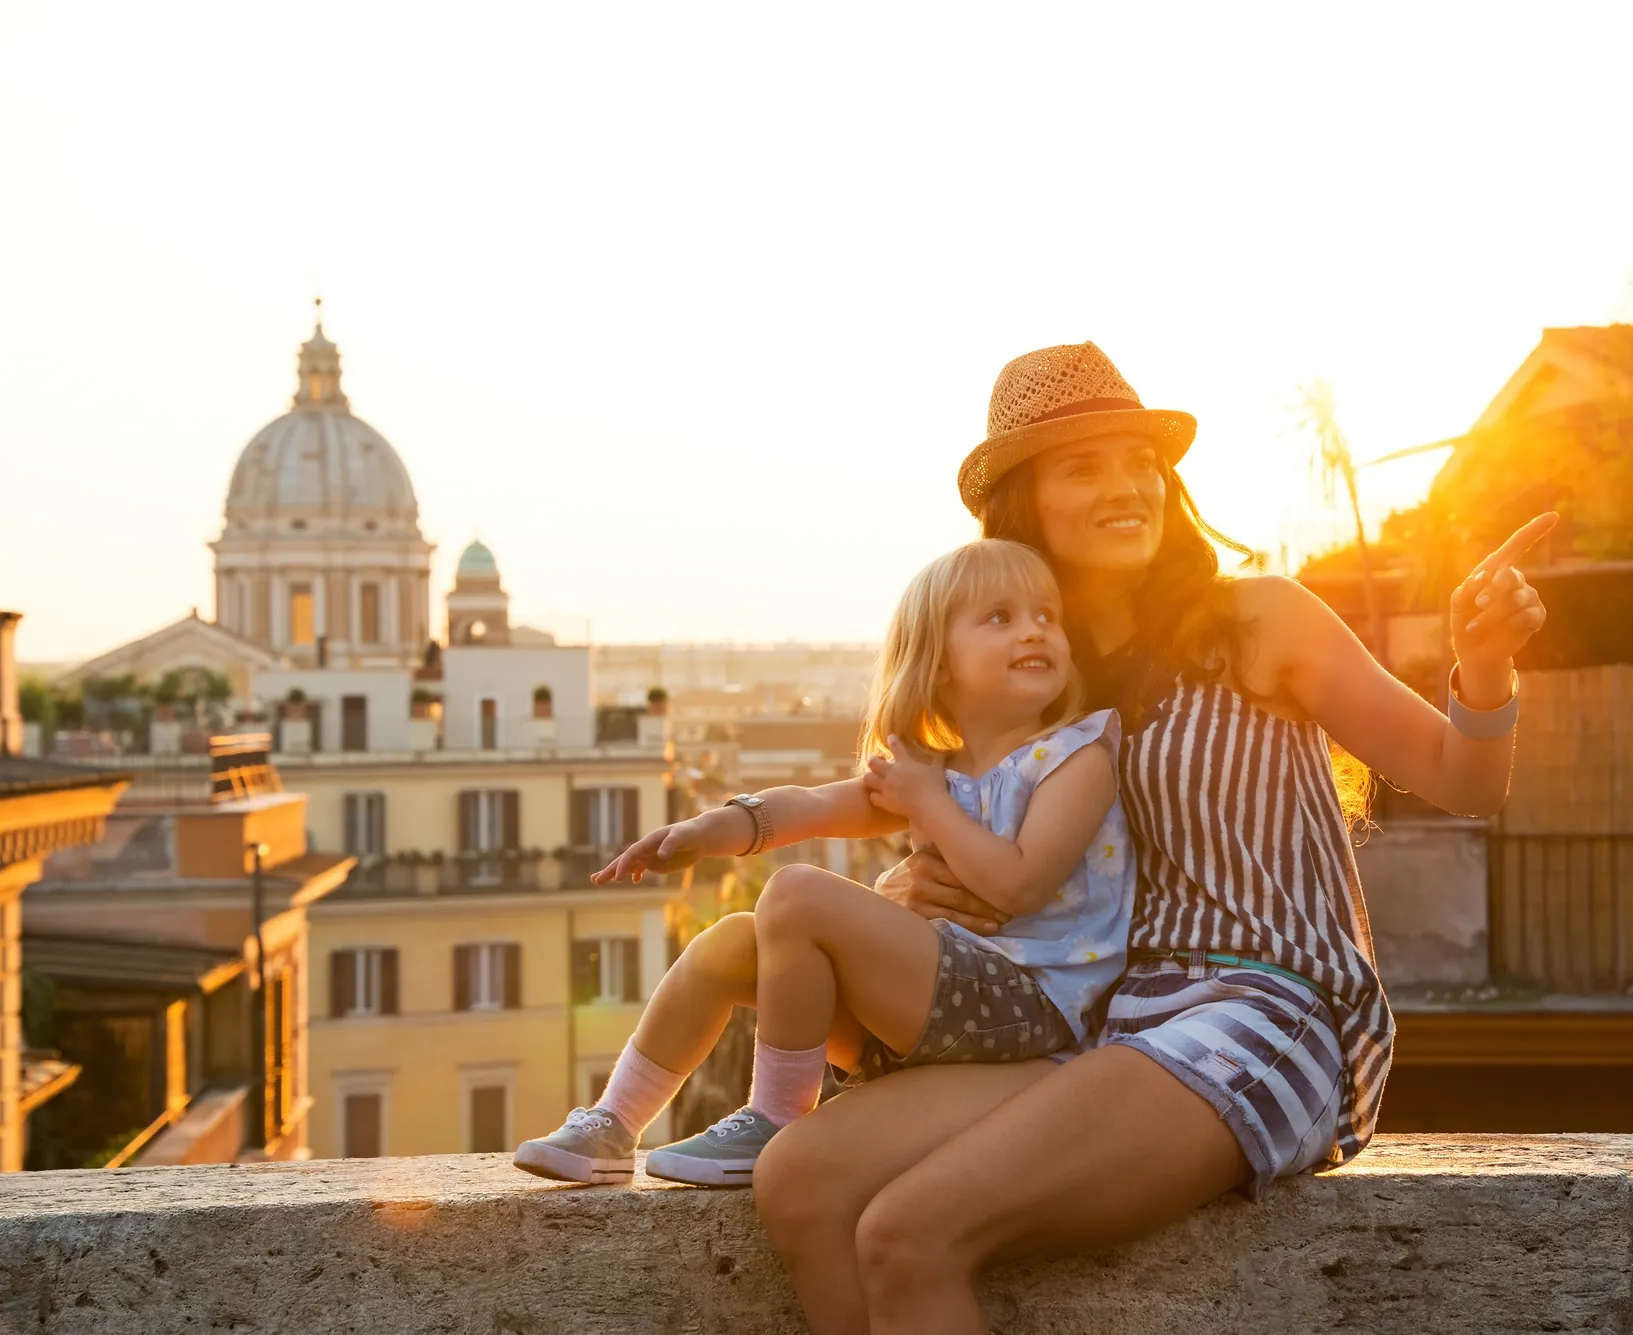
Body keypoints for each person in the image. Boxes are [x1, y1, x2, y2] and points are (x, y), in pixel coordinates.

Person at [751, 342, 1555, 1334]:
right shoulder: (1039, 671)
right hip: (1097, 1020)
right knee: (798, 1178)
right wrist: (911, 896)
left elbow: (1461, 776)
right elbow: (972, 831)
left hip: (1264, 1007)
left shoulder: (1255, 620)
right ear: (1022, 505)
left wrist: (1482, 668)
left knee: (908, 1234)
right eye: (1081, 465)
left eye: (1138, 458)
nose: (1125, 483)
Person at [511, 538, 1133, 1187]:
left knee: (797, 895)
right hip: (938, 1008)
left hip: (1030, 1006)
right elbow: (813, 805)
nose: (1035, 628)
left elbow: (1023, 882)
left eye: (1047, 614)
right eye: (1001, 616)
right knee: (728, 943)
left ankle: (777, 1119)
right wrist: (708, 828)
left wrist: (929, 804)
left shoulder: (1075, 754)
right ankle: (613, 1122)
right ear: (939, 662)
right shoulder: (937, 773)